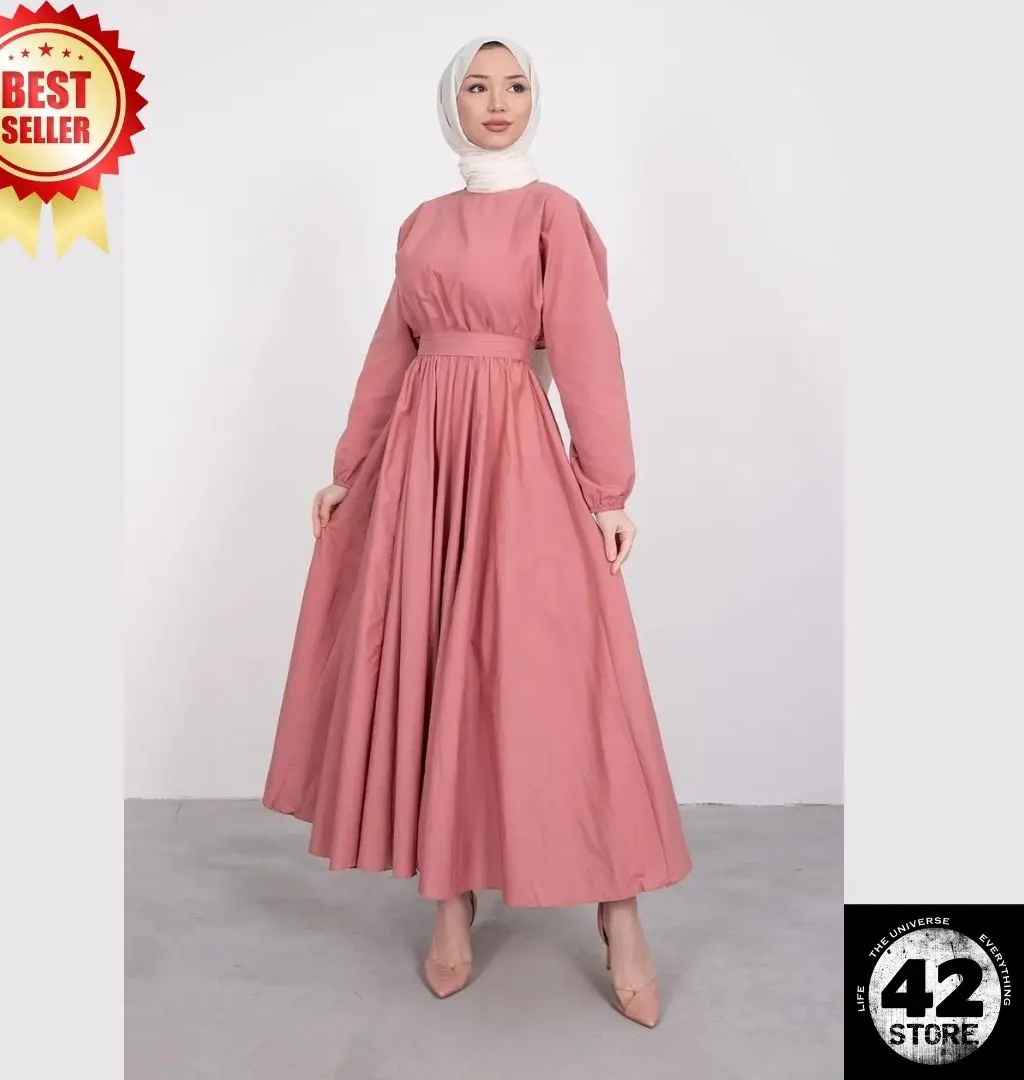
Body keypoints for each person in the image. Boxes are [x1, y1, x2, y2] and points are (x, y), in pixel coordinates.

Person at [262, 34, 693, 1028]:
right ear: (450, 101)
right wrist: (349, 470)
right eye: (478, 86)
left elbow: (587, 352)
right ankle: (449, 898)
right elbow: (391, 351)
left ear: (535, 100)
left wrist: (607, 490)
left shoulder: (553, 214)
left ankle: (619, 909)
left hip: (514, 458)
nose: (498, 102)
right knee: (432, 673)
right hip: (422, 467)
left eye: (516, 85)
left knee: (562, 678)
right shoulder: (422, 223)